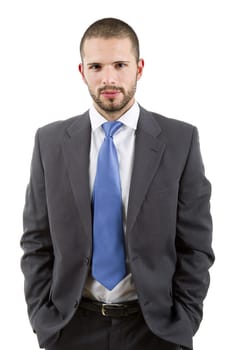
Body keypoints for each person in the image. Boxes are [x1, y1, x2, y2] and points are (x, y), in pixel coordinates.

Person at [20, 17, 214, 350]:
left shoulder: (180, 140)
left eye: (120, 65)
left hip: (155, 329)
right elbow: (36, 242)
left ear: (139, 68)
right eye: (96, 66)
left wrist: (183, 321)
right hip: (71, 328)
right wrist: (43, 319)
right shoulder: (49, 142)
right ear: (82, 72)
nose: (108, 78)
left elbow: (195, 246)